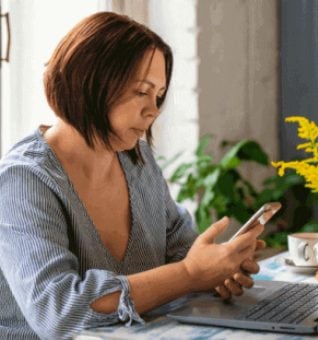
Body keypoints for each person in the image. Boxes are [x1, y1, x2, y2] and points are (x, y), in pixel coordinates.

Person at [0, 12, 263, 339]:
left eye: (158, 95)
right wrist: (189, 273)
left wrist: (218, 269)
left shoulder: (137, 160)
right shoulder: (24, 180)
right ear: (89, 80)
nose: (153, 110)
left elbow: (181, 246)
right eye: (142, 91)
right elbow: (57, 312)